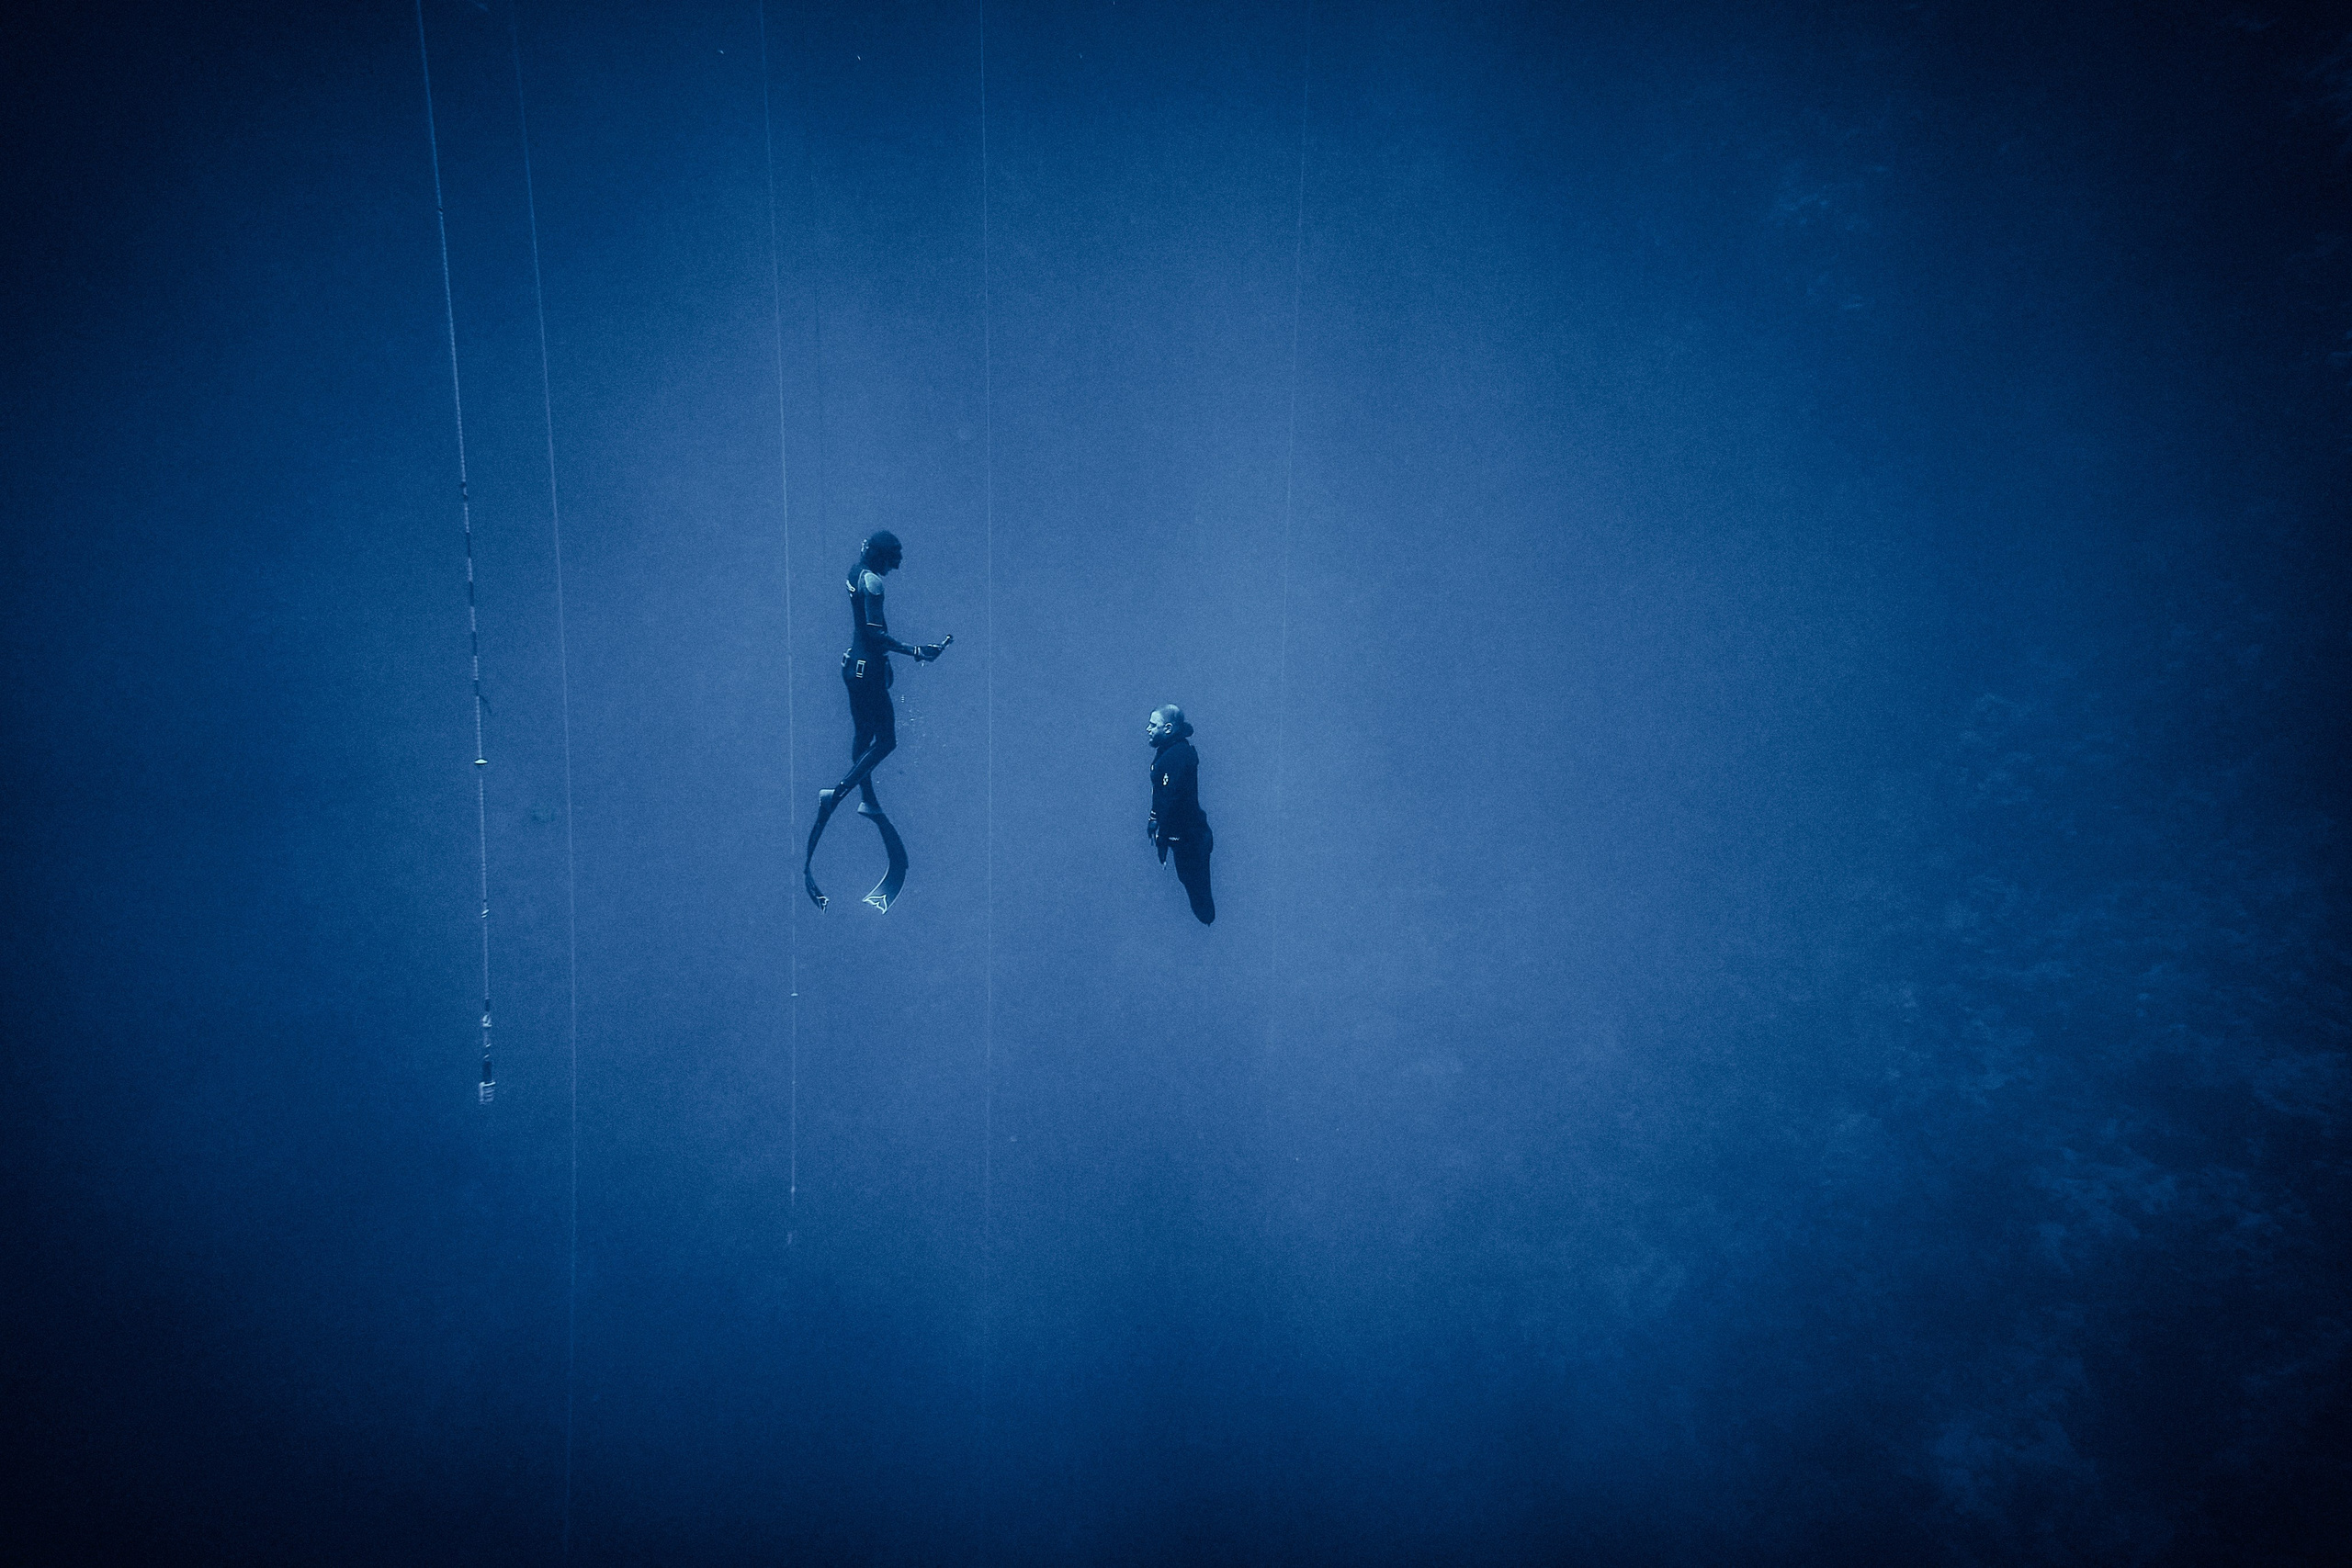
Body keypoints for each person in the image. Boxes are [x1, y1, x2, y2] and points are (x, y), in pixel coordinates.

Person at [804, 530, 946, 909]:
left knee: (863, 734)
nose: (896, 564)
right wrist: (917, 650)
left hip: (853, 666)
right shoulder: (874, 580)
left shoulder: (854, 572)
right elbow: (875, 633)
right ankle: (839, 792)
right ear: (884, 556)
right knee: (887, 741)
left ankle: (866, 797)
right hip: (867, 670)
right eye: (894, 557)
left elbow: (861, 633)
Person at [1146, 705, 1215, 925]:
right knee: (1189, 882)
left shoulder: (1178, 756)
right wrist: (1154, 819)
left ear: (1167, 729)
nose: (1148, 729)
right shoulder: (1167, 753)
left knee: (1198, 894)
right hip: (1184, 837)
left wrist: (1162, 837)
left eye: (1153, 725)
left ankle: (1206, 921)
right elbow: (1162, 796)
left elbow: (1171, 798)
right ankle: (1205, 920)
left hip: (1191, 839)